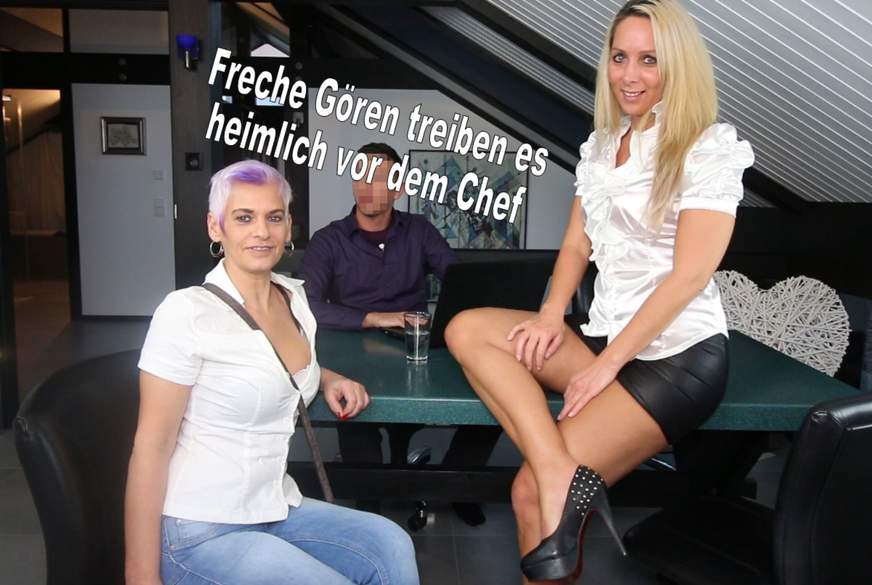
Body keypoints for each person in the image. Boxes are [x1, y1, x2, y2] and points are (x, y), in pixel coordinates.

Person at [444, 0, 754, 582]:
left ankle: (554, 478)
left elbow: (689, 276)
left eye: (648, 60)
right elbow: (574, 246)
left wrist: (606, 367)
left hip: (675, 359)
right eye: (619, 58)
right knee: (468, 329)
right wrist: (549, 315)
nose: (629, 75)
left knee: (530, 494)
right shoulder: (602, 145)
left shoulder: (706, 147)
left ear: (677, 66)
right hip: (606, 339)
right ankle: (561, 470)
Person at [124, 160, 419, 585]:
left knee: (390, 542)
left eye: (274, 217)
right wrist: (140, 576)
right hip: (200, 527)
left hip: (274, 505)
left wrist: (327, 377)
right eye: (244, 218)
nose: (261, 231)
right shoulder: (186, 313)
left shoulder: (294, 299)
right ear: (215, 227)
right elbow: (150, 448)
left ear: (288, 227)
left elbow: (269, 364)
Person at [301, 142, 502, 525]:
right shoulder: (329, 240)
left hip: (416, 350)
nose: (366, 186)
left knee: (495, 393)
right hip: (353, 350)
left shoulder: (420, 231)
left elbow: (458, 280)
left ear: (398, 188)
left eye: (379, 178)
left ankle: (458, 484)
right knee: (354, 413)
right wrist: (374, 318)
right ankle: (370, 504)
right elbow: (306, 305)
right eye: (359, 175)